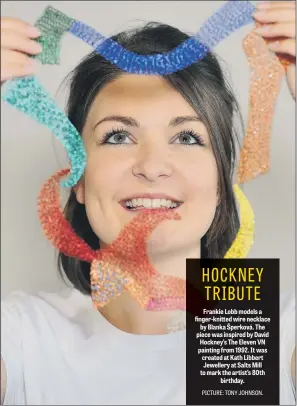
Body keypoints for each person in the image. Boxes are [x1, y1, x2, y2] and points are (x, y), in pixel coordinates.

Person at [1, 1, 296, 405]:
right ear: (80, 180)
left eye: (188, 137)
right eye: (118, 136)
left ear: (220, 182)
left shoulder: (272, 332)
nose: (153, 166)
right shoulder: (23, 335)